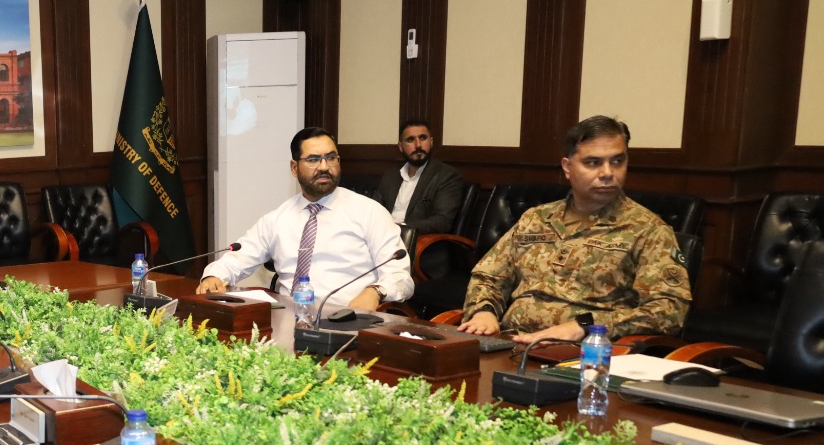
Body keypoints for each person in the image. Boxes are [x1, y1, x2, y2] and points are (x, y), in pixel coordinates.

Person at [459, 115, 691, 344]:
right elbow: (488, 276)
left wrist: (587, 325)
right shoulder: (536, 218)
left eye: (617, 161)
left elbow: (669, 310)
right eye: (593, 162)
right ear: (568, 168)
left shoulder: (648, 230)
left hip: (585, 353)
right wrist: (484, 311)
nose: (608, 173)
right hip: (511, 342)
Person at [197, 126, 413, 311]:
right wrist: (214, 276)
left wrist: (376, 291)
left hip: (345, 319)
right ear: (294, 168)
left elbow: (400, 277)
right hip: (285, 317)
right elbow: (239, 256)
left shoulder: (369, 213)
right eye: (313, 159)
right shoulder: (278, 218)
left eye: (331, 158)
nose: (324, 167)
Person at [375, 117, 468, 235]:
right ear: (400, 146)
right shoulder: (391, 175)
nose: (418, 145)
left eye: (423, 138)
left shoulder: (447, 176)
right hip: (381, 237)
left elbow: (442, 221)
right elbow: (374, 211)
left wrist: (401, 228)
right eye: (410, 140)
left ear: (431, 142)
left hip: (416, 241)